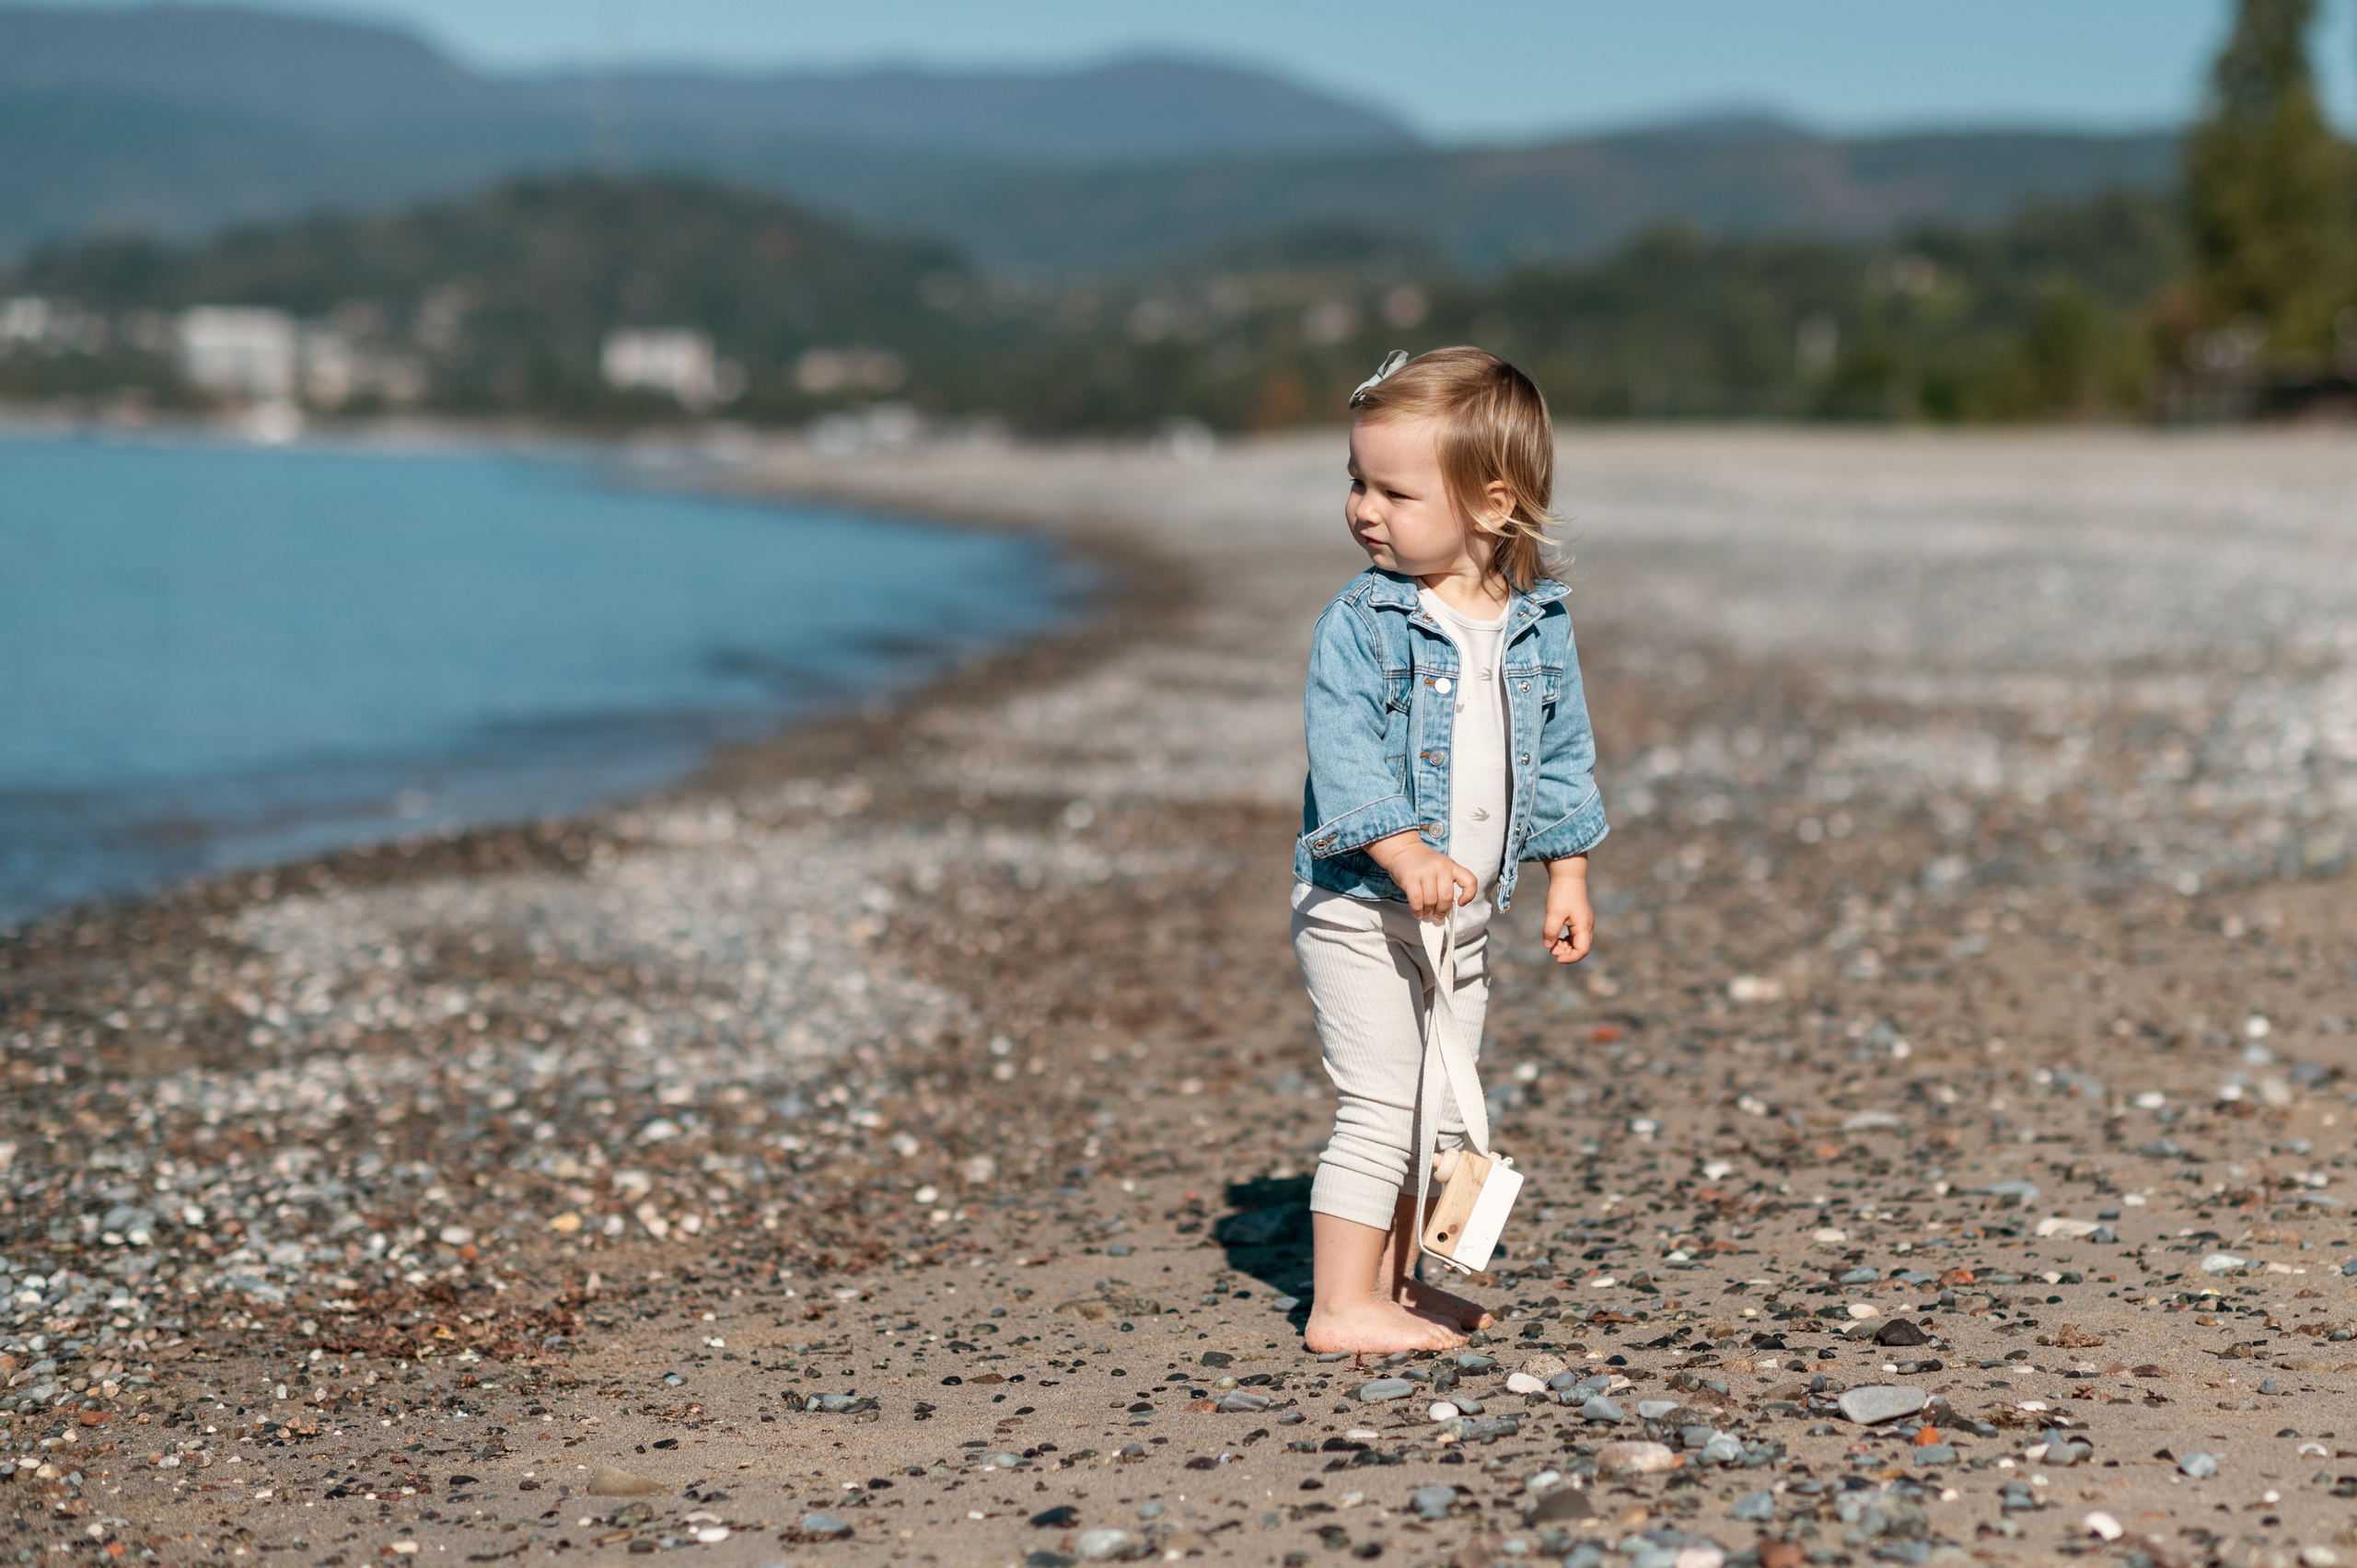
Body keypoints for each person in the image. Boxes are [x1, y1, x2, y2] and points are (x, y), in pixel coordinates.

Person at [1294, 346, 1608, 1354]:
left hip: (1462, 918)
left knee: (1444, 1106)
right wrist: (1402, 848)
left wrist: (1567, 870)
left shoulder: (1534, 622)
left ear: (1491, 500)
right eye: (1356, 481)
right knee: (1380, 1098)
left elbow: (1560, 751)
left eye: (1393, 489)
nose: (1363, 509)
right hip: (1359, 903)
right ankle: (1340, 1305)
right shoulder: (1366, 619)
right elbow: (1341, 750)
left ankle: (1400, 1284)